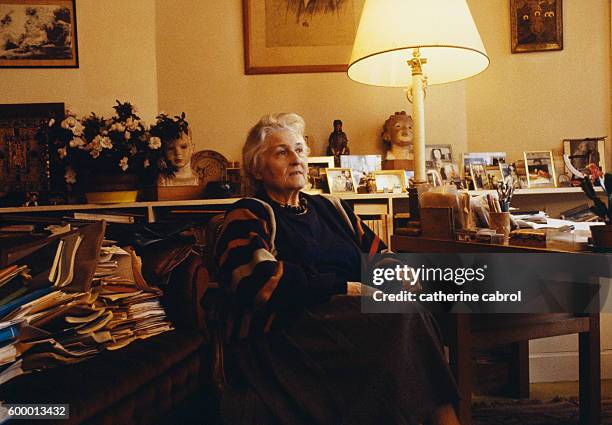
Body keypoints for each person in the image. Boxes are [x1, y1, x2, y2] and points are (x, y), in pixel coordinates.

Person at [214, 112, 460, 425]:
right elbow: (257, 281)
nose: (295, 159)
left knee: (440, 292)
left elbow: (378, 255)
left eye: (300, 150)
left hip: (352, 315)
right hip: (291, 328)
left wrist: (404, 278)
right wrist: (345, 288)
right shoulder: (249, 213)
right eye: (281, 152)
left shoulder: (329, 207)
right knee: (401, 314)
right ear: (257, 167)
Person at [151, 113, 200, 186]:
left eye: (183, 147)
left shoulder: (199, 178)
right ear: (163, 150)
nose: (178, 153)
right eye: (170, 148)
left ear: (192, 148)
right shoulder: (163, 180)